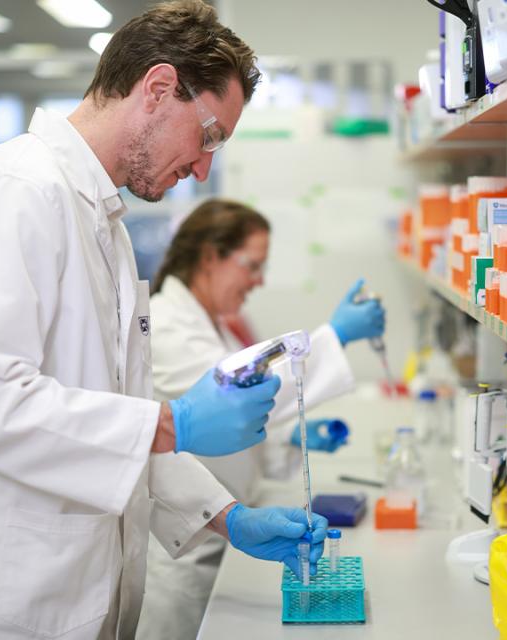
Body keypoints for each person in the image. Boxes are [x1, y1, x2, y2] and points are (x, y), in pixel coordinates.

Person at [0, 3, 328, 639]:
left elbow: (111, 415)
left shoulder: (99, 220)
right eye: (209, 135)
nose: (202, 167)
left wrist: (226, 515)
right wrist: (174, 423)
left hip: (64, 594)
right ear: (158, 89)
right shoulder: (17, 191)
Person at [136, 199, 386, 639]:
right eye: (252, 266)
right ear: (211, 257)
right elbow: (240, 393)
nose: (259, 281)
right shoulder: (169, 325)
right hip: (186, 557)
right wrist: (336, 336)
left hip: (223, 535)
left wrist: (290, 437)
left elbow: (235, 426)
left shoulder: (214, 323)